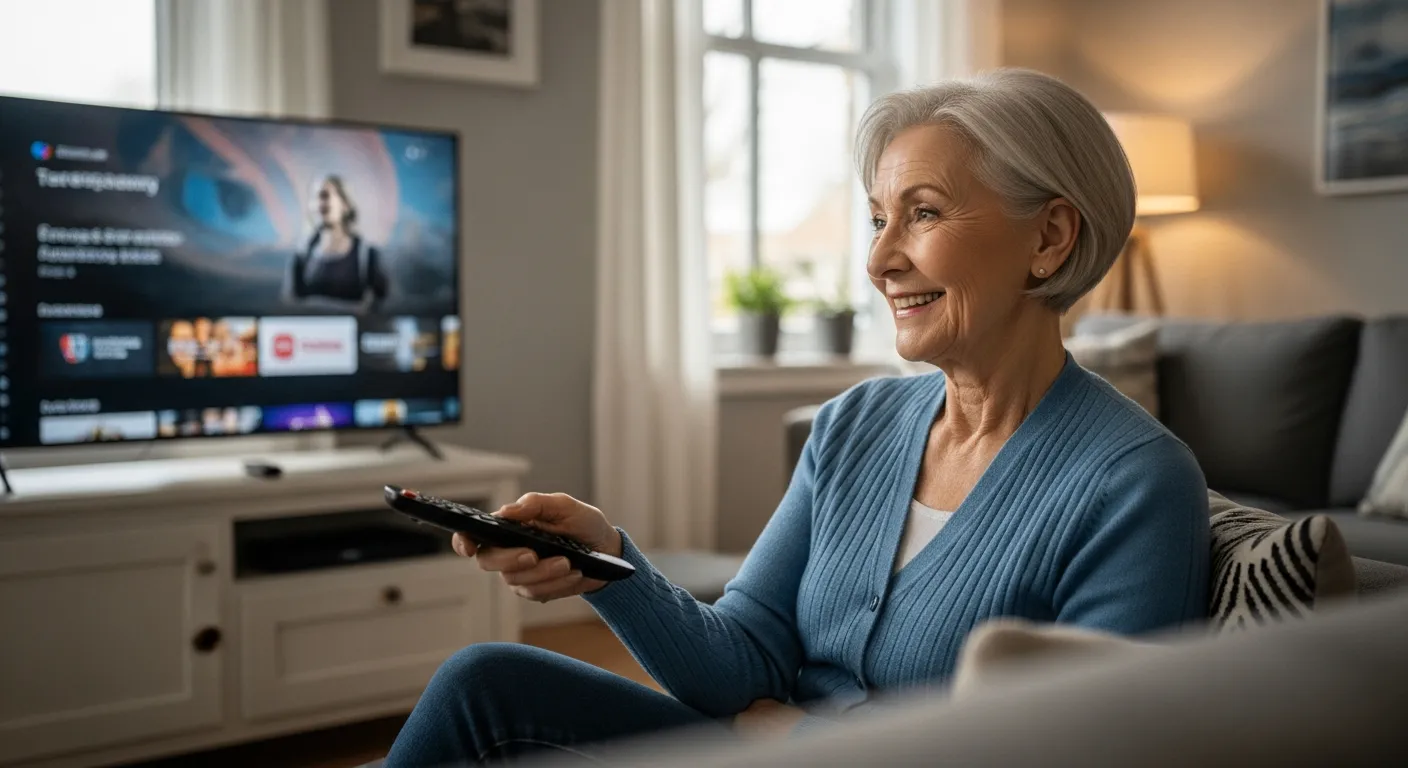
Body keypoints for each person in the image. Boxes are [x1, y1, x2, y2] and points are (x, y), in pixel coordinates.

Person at [383, 68, 1211, 767]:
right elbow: (741, 662)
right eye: (880, 219)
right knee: (484, 681)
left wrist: (798, 733)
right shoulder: (854, 425)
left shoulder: (1135, 482)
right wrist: (607, 564)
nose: (881, 260)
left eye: (922, 213)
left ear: (1052, 237)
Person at [285, 175, 389, 311]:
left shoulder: (366, 256)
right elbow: (290, 303)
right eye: (314, 197)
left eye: (324, 196)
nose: (318, 204)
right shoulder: (302, 255)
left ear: (345, 205)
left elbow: (381, 305)